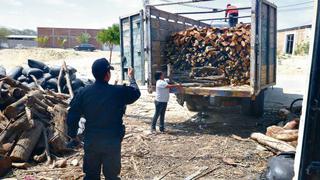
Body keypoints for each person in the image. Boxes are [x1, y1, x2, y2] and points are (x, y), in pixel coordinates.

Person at [67, 58, 140, 180]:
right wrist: (131, 78)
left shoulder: (83, 92)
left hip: (92, 141)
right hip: (112, 142)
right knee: (112, 176)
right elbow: (136, 93)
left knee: (91, 176)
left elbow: (72, 115)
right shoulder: (118, 92)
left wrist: (73, 135)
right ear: (107, 75)